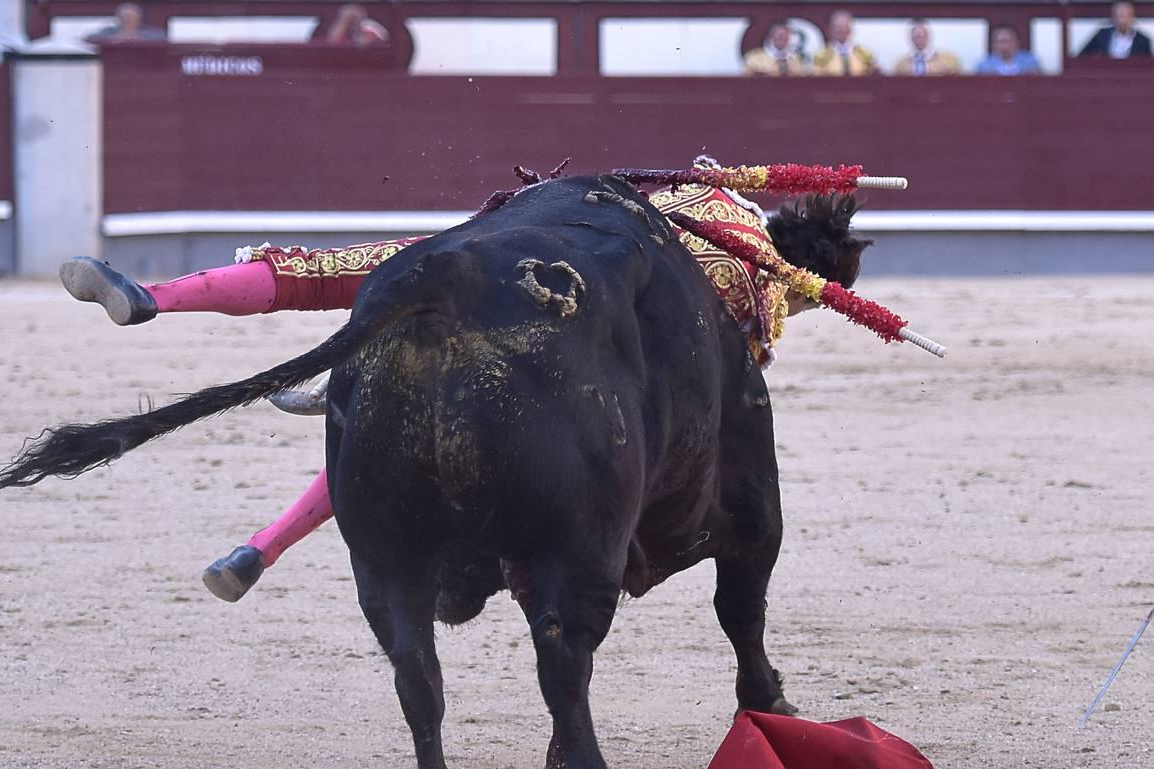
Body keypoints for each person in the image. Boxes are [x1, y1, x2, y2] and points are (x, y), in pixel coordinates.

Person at [58, 180, 870, 602]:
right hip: (570, 319)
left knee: (326, 272)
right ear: (808, 283)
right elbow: (698, 412)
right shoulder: (759, 309)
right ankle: (259, 547)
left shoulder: (708, 195)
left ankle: (156, 296)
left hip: (508, 242)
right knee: (407, 419)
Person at [812, 10, 878, 76]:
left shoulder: (864, 53)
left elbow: (873, 73)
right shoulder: (821, 55)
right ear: (831, 30)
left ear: (851, 29)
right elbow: (817, 76)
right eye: (838, 27)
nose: (842, 30)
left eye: (845, 26)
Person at [1078, 1, 1152, 57]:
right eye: (1120, 15)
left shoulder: (1143, 41)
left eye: (1126, 15)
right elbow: (1082, 56)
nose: (1123, 20)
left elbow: (1148, 68)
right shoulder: (1102, 35)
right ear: (1114, 16)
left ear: (1132, 16)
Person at [893, 19, 962, 75]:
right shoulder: (901, 64)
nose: (918, 39)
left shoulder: (949, 60)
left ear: (928, 36)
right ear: (911, 38)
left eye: (921, 36)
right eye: (916, 36)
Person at [743, 21, 809, 76]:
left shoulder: (796, 58)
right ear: (771, 37)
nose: (783, 39)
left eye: (785, 37)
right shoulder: (754, 57)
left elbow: (802, 76)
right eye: (780, 36)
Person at [976, 25, 1042, 74]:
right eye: (1002, 41)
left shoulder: (1030, 61)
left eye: (1009, 41)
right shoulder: (985, 64)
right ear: (994, 44)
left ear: (1016, 42)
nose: (1006, 45)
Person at [318, 4, 389, 49]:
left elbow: (363, 44)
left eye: (353, 17)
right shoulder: (346, 26)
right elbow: (332, 40)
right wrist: (343, 23)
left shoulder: (368, 26)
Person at [87, 3, 165, 44]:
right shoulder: (109, 32)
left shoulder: (148, 32)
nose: (128, 20)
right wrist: (114, 38)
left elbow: (163, 38)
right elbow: (90, 37)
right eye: (125, 17)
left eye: (131, 17)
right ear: (119, 18)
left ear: (138, 19)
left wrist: (140, 39)